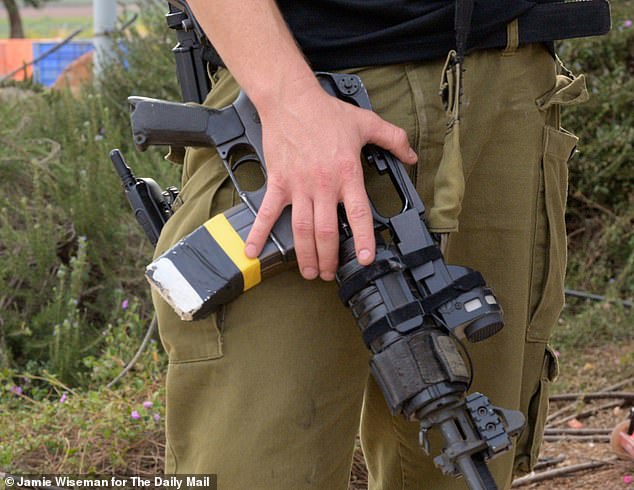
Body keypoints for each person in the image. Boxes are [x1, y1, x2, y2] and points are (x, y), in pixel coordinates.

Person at [151, 0, 589, 488]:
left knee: (461, 470)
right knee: (261, 468)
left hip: (502, 79)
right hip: (294, 86)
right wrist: (287, 98)